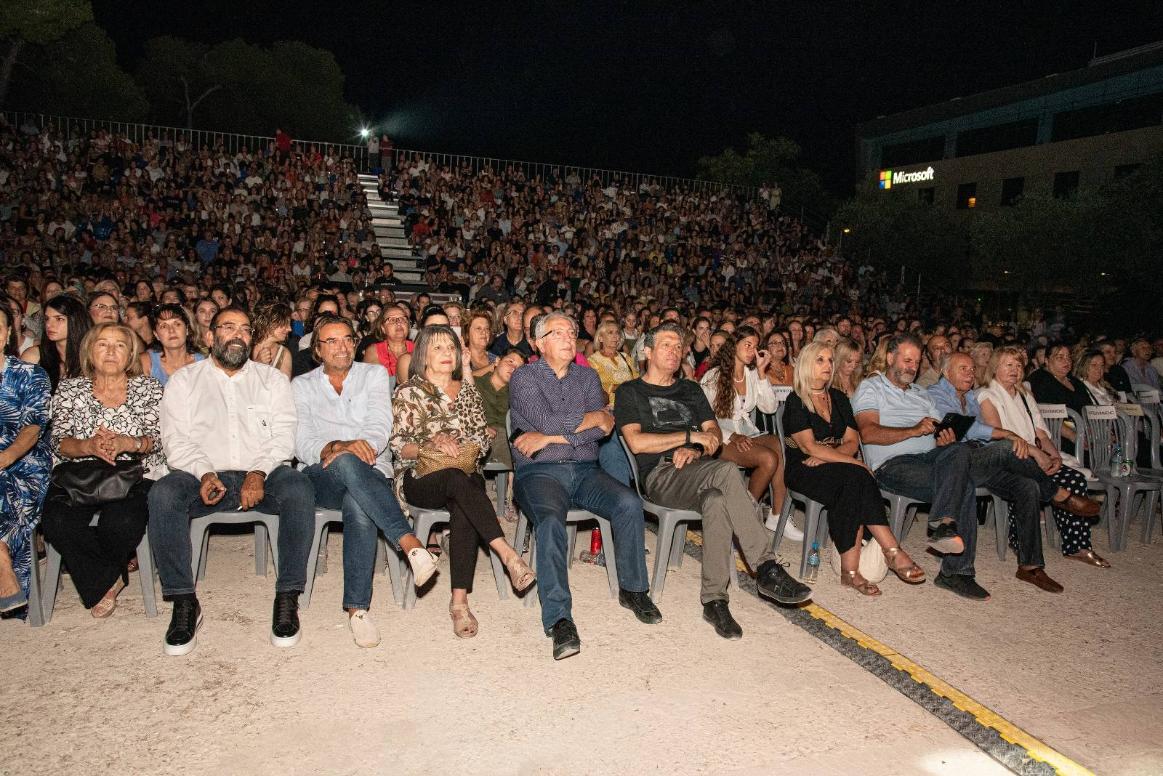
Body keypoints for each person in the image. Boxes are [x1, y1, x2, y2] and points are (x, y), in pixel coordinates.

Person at [616, 322, 811, 639]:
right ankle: (765, 567)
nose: (674, 351)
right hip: (660, 474)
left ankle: (715, 600)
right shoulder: (630, 391)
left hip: (699, 469)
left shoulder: (690, 390)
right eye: (666, 345)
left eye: (678, 346)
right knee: (727, 471)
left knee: (717, 501)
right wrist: (689, 437)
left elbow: (714, 435)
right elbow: (637, 443)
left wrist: (695, 447)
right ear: (647, 352)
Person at [148, 307, 314, 656]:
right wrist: (204, 472)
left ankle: (287, 597)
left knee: (299, 489)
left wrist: (258, 471)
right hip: (200, 473)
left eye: (245, 329)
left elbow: (284, 437)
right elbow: (175, 440)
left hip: (263, 473)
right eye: (228, 327)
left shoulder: (271, 380)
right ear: (210, 337)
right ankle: (184, 601)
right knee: (162, 494)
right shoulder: (184, 381)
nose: (238, 335)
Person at [509, 312, 658, 660]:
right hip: (540, 472)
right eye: (558, 333)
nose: (568, 338)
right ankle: (559, 619)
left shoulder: (588, 376)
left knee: (628, 503)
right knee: (550, 522)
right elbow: (554, 420)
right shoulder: (524, 377)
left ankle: (633, 589)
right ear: (539, 342)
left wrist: (549, 437)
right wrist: (592, 419)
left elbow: (604, 429)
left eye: (572, 332)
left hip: (586, 470)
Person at [292, 315, 438, 648]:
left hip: (370, 469)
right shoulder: (301, 385)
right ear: (317, 349)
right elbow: (300, 442)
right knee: (344, 461)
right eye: (332, 341)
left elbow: (380, 426)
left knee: (358, 503)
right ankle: (410, 545)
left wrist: (361, 447)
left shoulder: (373, 375)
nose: (342, 347)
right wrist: (338, 447)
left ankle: (357, 611)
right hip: (321, 476)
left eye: (348, 339)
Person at [391, 325, 535, 638]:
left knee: (463, 495)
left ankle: (459, 603)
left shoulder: (468, 391)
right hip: (420, 477)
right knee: (463, 483)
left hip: (464, 474)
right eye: (438, 347)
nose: (447, 353)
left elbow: (482, 437)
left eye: (451, 347)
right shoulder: (408, 392)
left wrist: (464, 444)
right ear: (423, 355)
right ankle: (508, 554)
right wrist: (431, 442)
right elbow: (400, 445)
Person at [42, 323, 164, 617]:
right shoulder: (70, 388)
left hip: (133, 472)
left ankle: (97, 575)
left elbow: (159, 439)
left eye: (119, 345)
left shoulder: (148, 388)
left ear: (130, 353)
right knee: (57, 521)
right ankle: (108, 578)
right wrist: (88, 446)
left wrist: (127, 443)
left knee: (122, 522)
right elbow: (59, 441)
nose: (111, 351)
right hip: (79, 472)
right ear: (89, 351)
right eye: (103, 344)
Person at [782, 343, 923, 596]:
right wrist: (851, 461)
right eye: (820, 360)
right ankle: (891, 551)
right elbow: (809, 447)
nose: (828, 365)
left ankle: (851, 571)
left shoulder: (838, 398)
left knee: (853, 480)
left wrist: (833, 459)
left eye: (830, 360)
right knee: (857, 474)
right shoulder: (796, 400)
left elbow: (852, 442)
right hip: (803, 469)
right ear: (805, 364)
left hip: (833, 466)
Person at [853, 333, 987, 600]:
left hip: (930, 458)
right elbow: (868, 433)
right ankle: (955, 571)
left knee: (960, 450)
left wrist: (943, 438)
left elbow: (938, 432)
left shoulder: (922, 393)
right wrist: (913, 430)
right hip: (892, 465)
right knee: (965, 484)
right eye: (907, 360)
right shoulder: (871, 387)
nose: (912, 367)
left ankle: (944, 526)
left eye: (916, 362)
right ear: (890, 358)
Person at [977, 346, 1108, 568]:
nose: (1015, 370)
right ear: (995, 367)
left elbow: (1041, 432)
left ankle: (1077, 546)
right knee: (1026, 481)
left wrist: (1054, 456)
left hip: (1035, 455)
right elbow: (999, 435)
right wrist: (1036, 453)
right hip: (1008, 457)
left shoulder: (1025, 394)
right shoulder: (987, 394)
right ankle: (1020, 539)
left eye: (1019, 365)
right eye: (1009, 365)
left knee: (1074, 478)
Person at [699, 326, 788, 533]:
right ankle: (743, 514)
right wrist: (732, 436)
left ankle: (776, 515)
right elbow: (703, 417)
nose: (752, 351)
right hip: (720, 436)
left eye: (755, 346)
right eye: (747, 345)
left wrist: (762, 373)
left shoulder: (752, 374)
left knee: (777, 443)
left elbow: (770, 408)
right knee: (769, 459)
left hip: (747, 432)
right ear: (734, 345)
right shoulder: (713, 376)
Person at [0, 301, 52, 614]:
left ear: (8, 332)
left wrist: (5, 458)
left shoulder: (31, 375)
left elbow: (33, 428)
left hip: (24, 463)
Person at [21, 293, 90, 391]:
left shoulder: (91, 356)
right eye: (47, 319)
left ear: (75, 321)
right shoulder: (34, 356)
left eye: (59, 319)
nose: (49, 324)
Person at [140, 304, 204, 387]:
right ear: (156, 334)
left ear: (187, 329)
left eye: (177, 324)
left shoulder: (201, 363)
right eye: (164, 326)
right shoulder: (147, 362)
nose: (171, 330)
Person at [361, 304, 413, 378]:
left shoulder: (417, 349)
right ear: (383, 328)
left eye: (402, 319)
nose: (398, 323)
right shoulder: (374, 351)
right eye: (392, 320)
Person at [250, 301, 294, 379]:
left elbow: (283, 385)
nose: (289, 329)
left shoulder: (283, 354)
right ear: (269, 323)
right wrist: (257, 364)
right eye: (285, 324)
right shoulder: (246, 348)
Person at [464, 309, 497, 377]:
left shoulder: (495, 359)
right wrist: (490, 368)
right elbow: (461, 380)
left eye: (487, 328)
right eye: (478, 328)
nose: (484, 332)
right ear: (467, 334)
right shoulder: (459, 358)